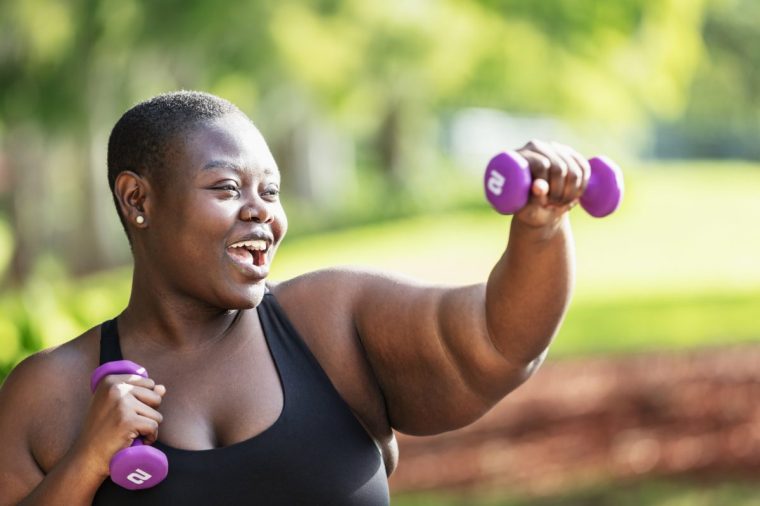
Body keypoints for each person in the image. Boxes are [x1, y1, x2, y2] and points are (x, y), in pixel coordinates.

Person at [0, 91, 590, 505]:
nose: (261, 210)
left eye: (271, 190)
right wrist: (85, 462)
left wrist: (540, 228)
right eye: (228, 187)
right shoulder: (51, 392)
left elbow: (496, 341)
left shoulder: (331, 324)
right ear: (137, 201)